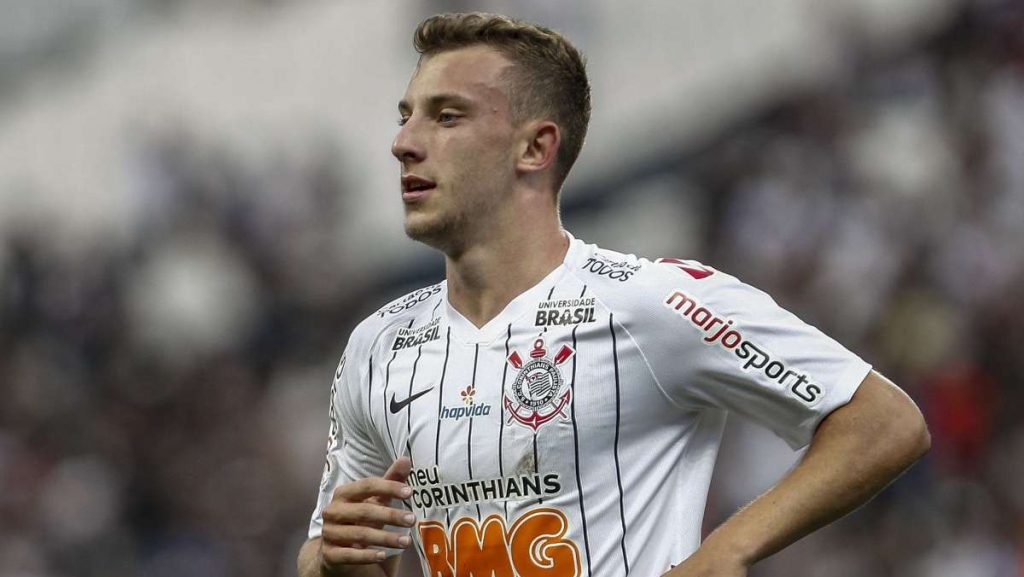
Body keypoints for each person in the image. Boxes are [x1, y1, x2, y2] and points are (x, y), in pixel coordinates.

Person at [296, 12, 930, 577]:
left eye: (447, 116)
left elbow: (883, 422)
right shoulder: (379, 345)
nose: (404, 142)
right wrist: (332, 560)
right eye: (406, 116)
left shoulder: (648, 303)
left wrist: (727, 549)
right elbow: (329, 547)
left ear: (536, 146)